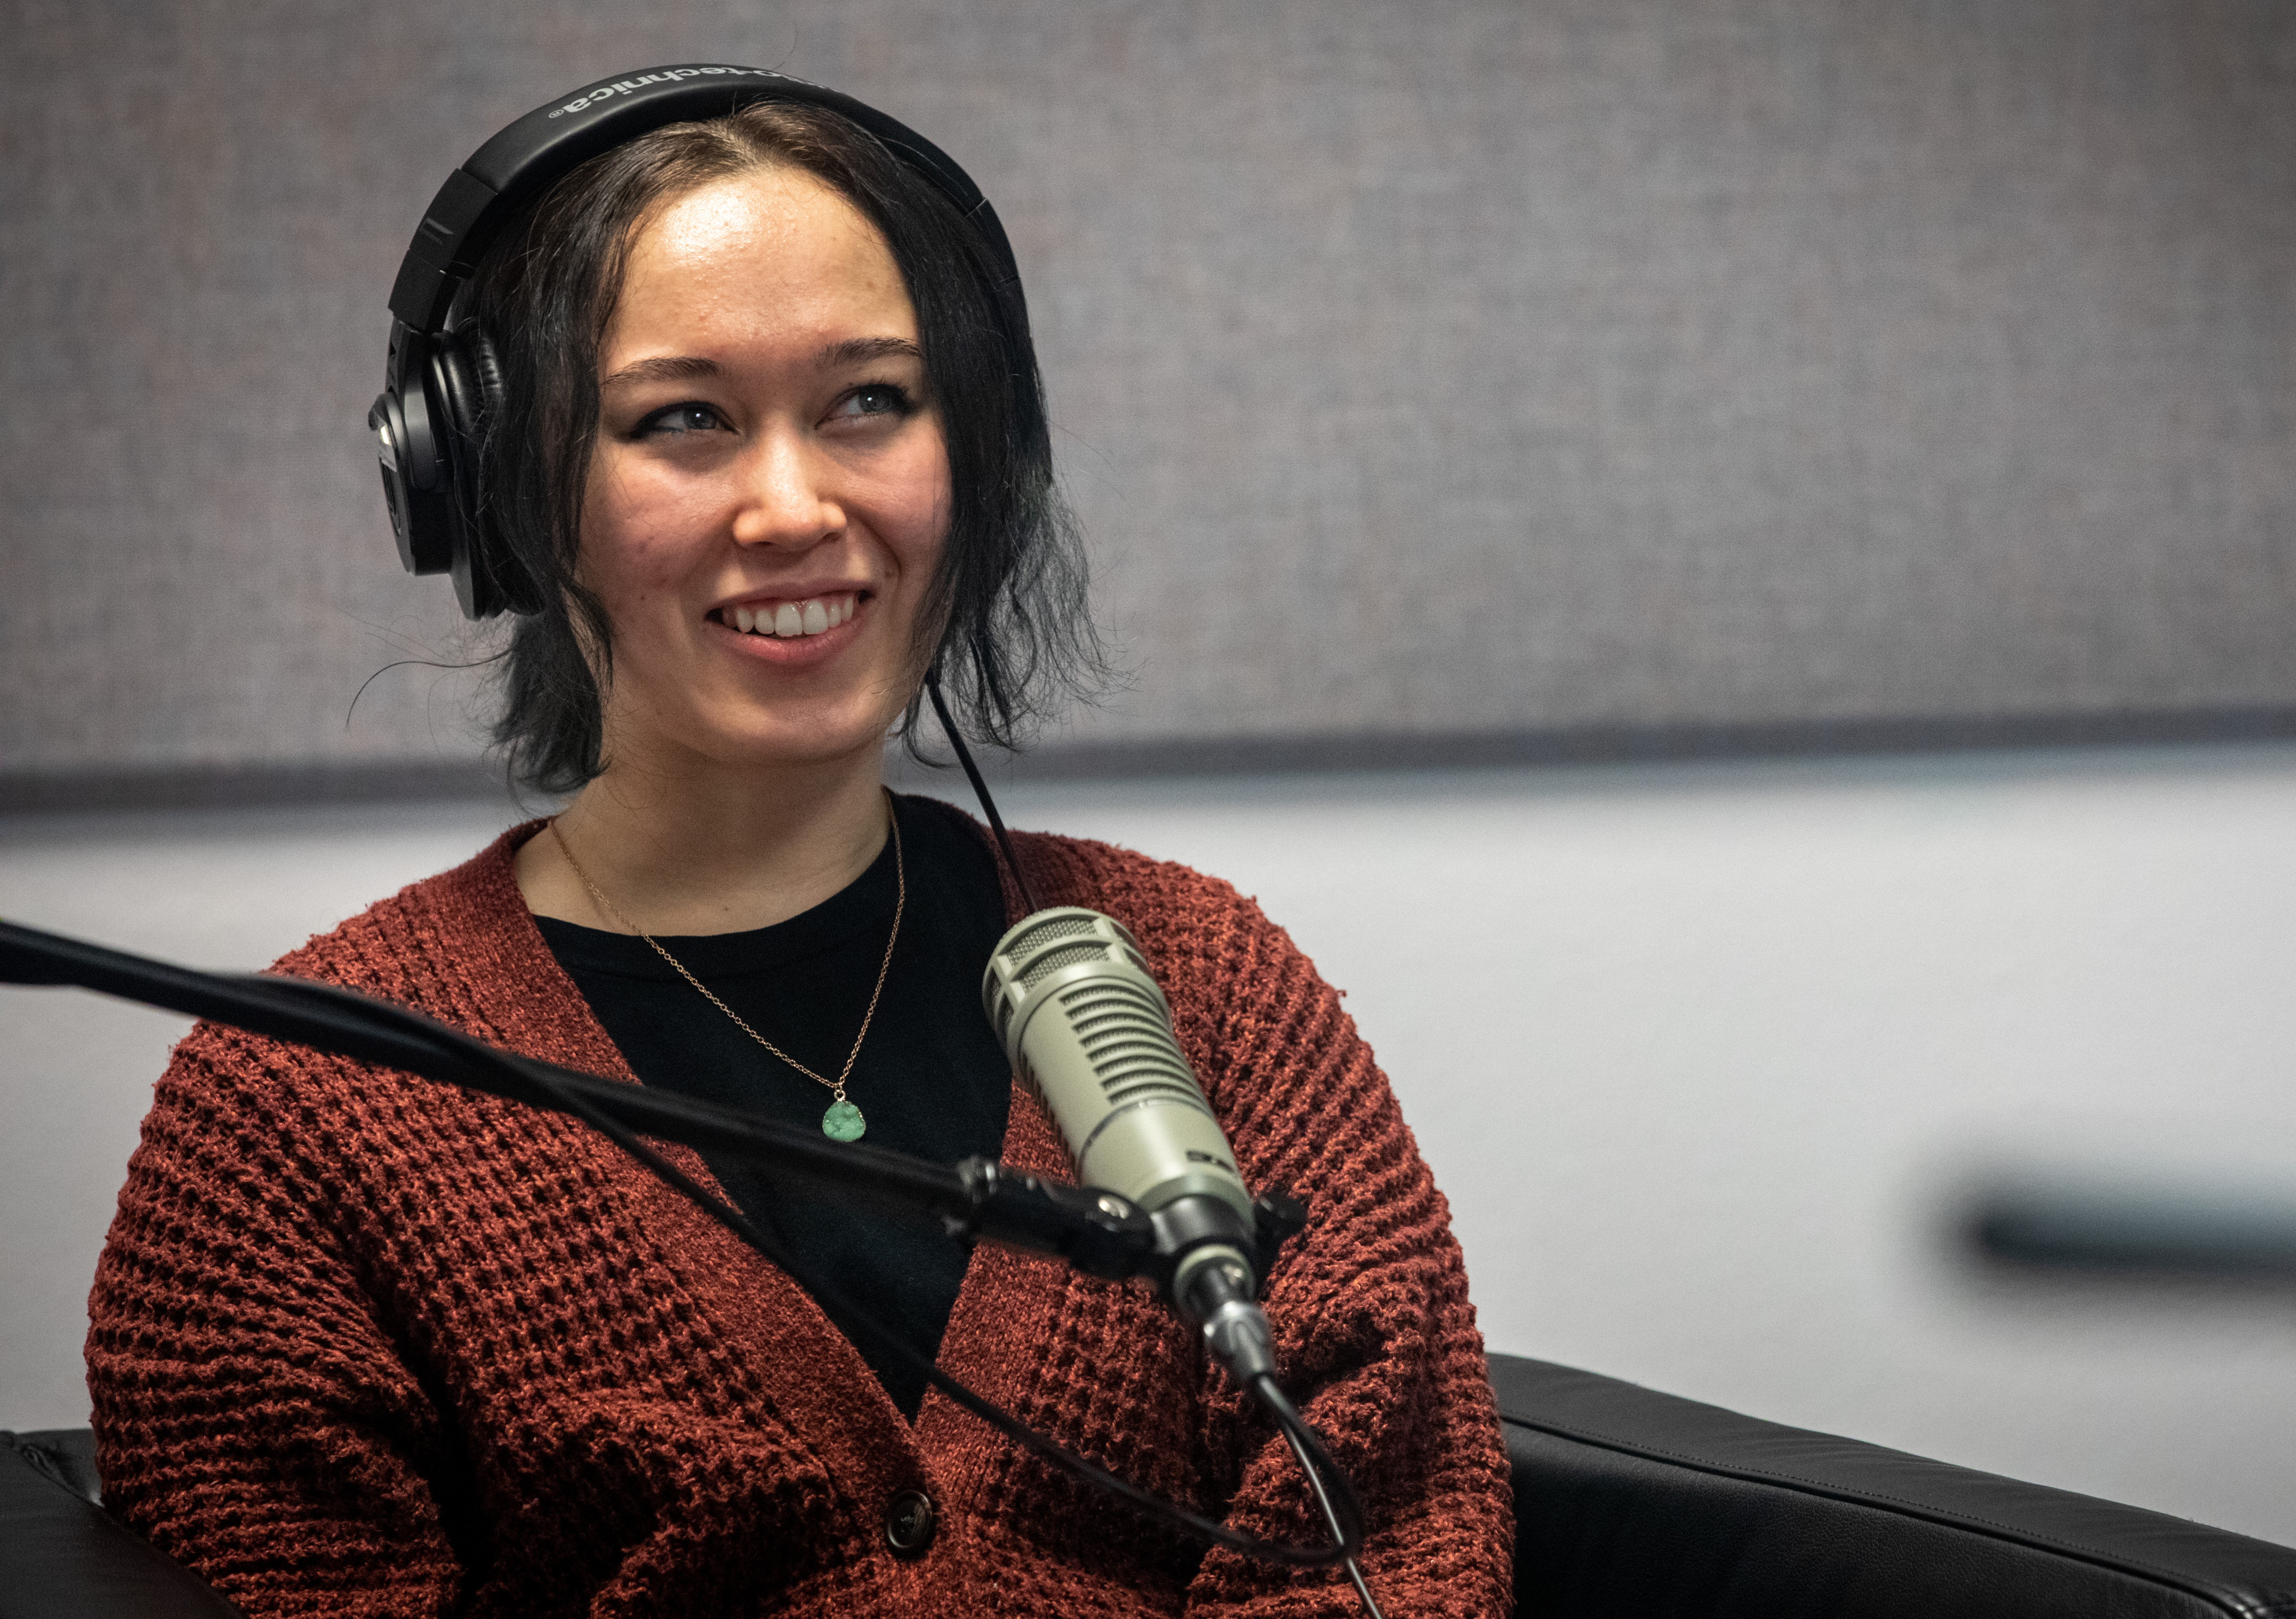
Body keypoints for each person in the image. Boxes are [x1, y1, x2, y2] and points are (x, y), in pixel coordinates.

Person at [85, 78, 1510, 1617]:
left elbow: (1400, 1543)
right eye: (682, 420)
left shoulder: (1202, 980)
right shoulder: (299, 1113)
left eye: (868, 401)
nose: (794, 506)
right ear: (502, 492)